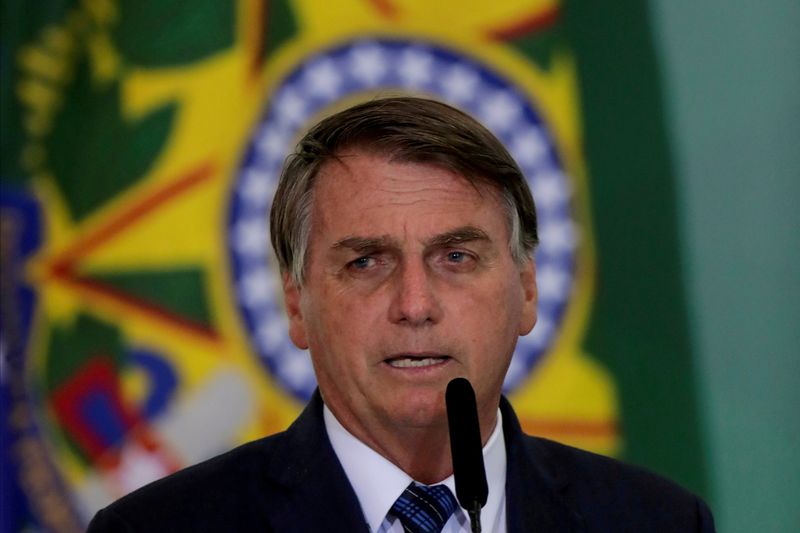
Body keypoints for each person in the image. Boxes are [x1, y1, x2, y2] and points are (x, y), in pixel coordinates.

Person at [88, 97, 715, 532]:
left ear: (526, 291)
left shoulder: (658, 522)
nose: (415, 305)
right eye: (366, 262)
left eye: (457, 256)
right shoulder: (156, 529)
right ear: (295, 304)